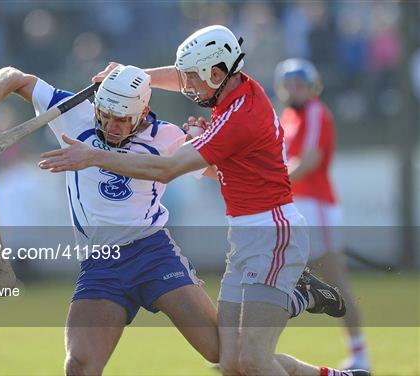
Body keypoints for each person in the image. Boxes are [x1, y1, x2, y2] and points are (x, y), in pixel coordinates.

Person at [38, 25, 370, 376]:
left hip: (272, 233)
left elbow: (166, 170)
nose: (187, 88)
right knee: (231, 361)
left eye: (193, 79)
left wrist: (94, 157)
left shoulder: (236, 118)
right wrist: (132, 77)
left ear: (215, 73)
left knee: (253, 361)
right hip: (244, 237)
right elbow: (180, 84)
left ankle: (294, 296)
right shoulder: (233, 89)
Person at [275, 58, 370, 370]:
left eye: (300, 85)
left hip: (317, 207)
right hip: (297, 206)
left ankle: (359, 354)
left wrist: (274, 184)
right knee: (276, 276)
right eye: (289, 85)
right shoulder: (288, 116)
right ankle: (252, 348)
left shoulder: (315, 111)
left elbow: (312, 159)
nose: (294, 90)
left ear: (312, 87)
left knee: (335, 279)